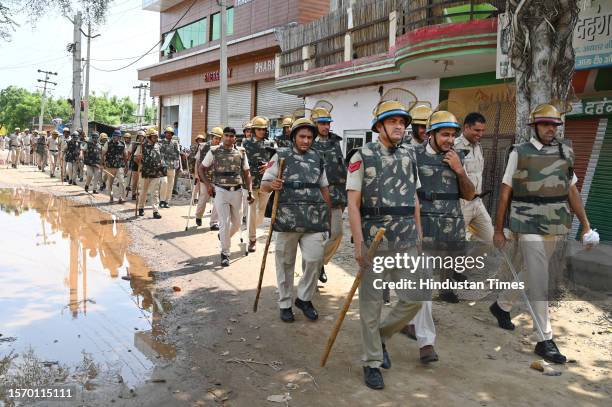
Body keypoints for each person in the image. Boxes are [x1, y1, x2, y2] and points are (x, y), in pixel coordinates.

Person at [491, 103, 594, 364]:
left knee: (532, 271)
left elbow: (572, 191)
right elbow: (505, 192)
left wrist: (585, 224)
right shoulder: (519, 152)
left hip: (555, 222)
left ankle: (502, 305)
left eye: (554, 125)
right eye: (546, 124)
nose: (551, 129)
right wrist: (498, 229)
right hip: (526, 221)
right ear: (535, 126)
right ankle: (544, 339)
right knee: (539, 276)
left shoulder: (564, 151)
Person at [346, 97, 423, 390]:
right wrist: (359, 245)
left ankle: (380, 336)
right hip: (375, 242)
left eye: (403, 123)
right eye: (393, 122)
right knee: (371, 305)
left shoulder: (409, 156)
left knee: (417, 296)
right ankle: (371, 362)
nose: (399, 127)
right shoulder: (361, 156)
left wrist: (419, 237)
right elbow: (353, 205)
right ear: (379, 126)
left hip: (405, 241)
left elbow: (415, 200)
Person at [261, 118, 331, 323]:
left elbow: (324, 188)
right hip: (286, 220)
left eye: (310, 137)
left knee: (314, 259)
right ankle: (285, 303)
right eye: (302, 136)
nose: (306, 140)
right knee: (285, 263)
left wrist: (327, 217)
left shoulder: (318, 158)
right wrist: (272, 184)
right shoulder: (281, 156)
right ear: (294, 137)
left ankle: (304, 298)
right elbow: (264, 184)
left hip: (313, 220)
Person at [200, 127, 252, 267]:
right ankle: (225, 253)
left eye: (231, 136)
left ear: (235, 138)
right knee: (224, 222)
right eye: (226, 135)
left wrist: (250, 191)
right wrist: (208, 184)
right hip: (220, 191)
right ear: (223, 137)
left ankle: (224, 237)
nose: (229, 138)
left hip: (237, 191)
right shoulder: (214, 151)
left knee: (237, 224)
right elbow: (201, 168)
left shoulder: (241, 152)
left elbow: (247, 173)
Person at [311, 104, 346, 283]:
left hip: (336, 197)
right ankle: (313, 270)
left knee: (337, 233)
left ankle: (318, 263)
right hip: (315, 197)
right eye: (322, 123)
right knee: (315, 237)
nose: (325, 126)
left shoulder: (336, 143)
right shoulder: (308, 143)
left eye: (327, 123)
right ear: (315, 124)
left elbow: (342, 169)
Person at [454, 112, 494, 244]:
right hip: (461, 204)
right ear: (466, 127)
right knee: (454, 244)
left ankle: (473, 262)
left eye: (483, 130)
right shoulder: (455, 146)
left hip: (478, 202)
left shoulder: (478, 146)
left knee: (490, 239)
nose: (480, 134)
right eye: (477, 130)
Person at [242, 116, 275, 252]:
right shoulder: (245, 143)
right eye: (259, 129)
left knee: (261, 212)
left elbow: (277, 160)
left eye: (264, 129)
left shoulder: (271, 143)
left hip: (266, 182)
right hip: (251, 182)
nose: (262, 131)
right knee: (252, 212)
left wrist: (269, 164)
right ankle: (252, 239)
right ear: (254, 129)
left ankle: (252, 228)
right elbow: (240, 160)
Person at [134, 129, 165, 219]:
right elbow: (135, 159)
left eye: (156, 136)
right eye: (154, 136)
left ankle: (155, 211)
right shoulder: (142, 146)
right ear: (149, 137)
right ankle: (141, 208)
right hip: (145, 172)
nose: (156, 138)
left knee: (155, 192)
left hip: (156, 173)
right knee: (143, 191)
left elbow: (161, 158)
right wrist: (138, 159)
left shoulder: (159, 146)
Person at [194, 129, 222, 229]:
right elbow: (197, 161)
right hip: (205, 178)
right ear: (211, 137)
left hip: (217, 179)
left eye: (219, 139)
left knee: (218, 200)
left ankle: (214, 222)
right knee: (203, 198)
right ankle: (198, 216)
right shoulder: (203, 146)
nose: (217, 141)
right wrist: (197, 175)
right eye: (216, 138)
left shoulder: (221, 148)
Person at [159, 126, 182, 208]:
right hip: (163, 166)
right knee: (164, 183)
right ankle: (161, 200)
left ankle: (167, 201)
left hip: (172, 166)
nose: (168, 134)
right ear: (165, 134)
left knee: (170, 185)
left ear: (172, 134)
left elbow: (177, 154)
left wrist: (178, 165)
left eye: (170, 133)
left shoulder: (175, 143)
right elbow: (159, 154)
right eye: (167, 133)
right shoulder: (161, 142)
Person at [102, 130, 127, 203]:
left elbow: (125, 155)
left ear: (120, 137)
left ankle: (121, 198)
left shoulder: (122, 144)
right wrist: (102, 164)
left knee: (122, 182)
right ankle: (111, 197)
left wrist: (126, 165)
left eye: (118, 136)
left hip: (119, 166)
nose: (116, 137)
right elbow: (103, 154)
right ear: (113, 136)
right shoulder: (108, 143)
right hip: (110, 166)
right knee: (110, 183)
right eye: (115, 136)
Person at [126, 131, 144, 200]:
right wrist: (128, 160)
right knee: (135, 180)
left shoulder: (146, 144)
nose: (140, 138)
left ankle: (142, 195)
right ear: (137, 137)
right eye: (139, 136)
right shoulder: (134, 144)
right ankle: (133, 194)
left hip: (143, 164)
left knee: (142, 181)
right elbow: (129, 153)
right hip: (135, 164)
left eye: (142, 136)